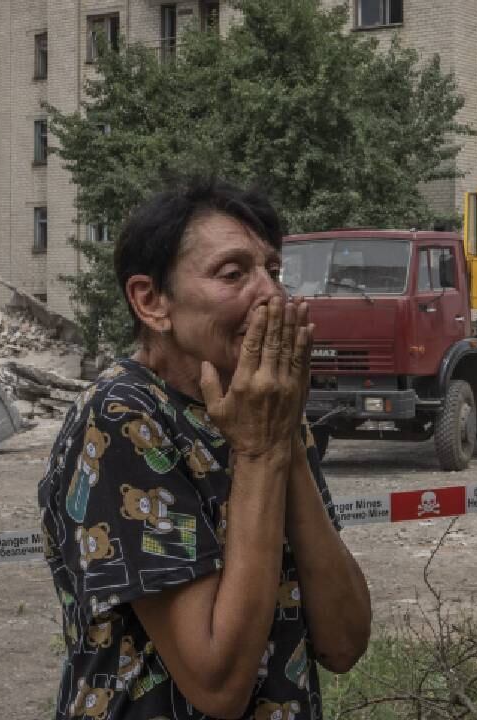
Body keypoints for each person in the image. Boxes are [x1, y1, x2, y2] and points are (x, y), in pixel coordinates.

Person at [38, 180, 372, 720]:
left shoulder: (267, 410)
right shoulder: (124, 417)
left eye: (273, 271)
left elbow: (344, 643)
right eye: (233, 273)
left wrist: (282, 435)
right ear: (151, 302)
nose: (271, 296)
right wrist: (262, 455)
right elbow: (218, 684)